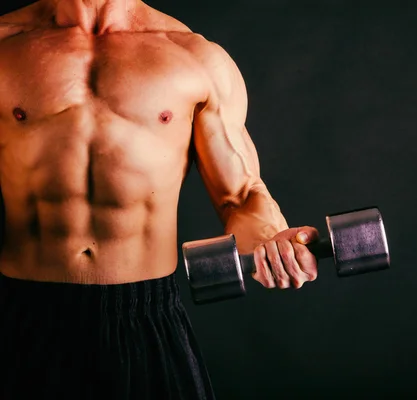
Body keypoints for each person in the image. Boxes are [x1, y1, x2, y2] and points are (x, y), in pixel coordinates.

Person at [0, 0, 320, 398]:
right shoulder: (6, 45)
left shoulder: (194, 57)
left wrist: (271, 241)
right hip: (22, 319)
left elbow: (240, 197)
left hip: (144, 319)